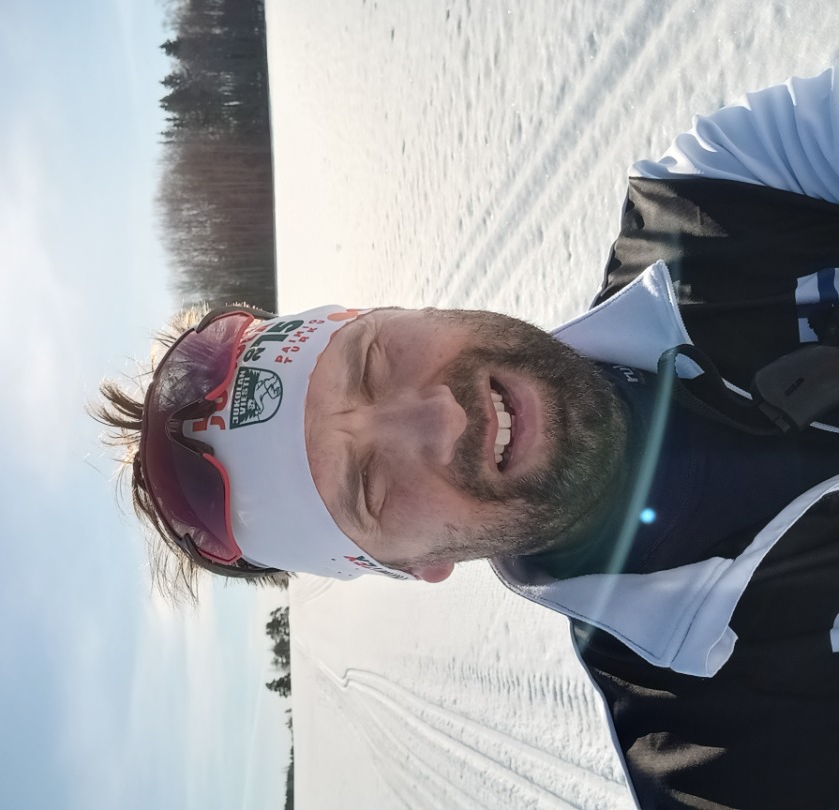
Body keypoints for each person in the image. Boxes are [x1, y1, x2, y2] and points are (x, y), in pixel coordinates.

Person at [94, 69, 839, 808]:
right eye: (371, 487)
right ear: (416, 566)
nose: (441, 419)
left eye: (374, 362)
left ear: (396, 309)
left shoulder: (721, 195)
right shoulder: (720, 765)